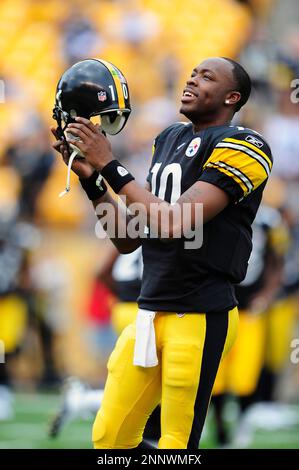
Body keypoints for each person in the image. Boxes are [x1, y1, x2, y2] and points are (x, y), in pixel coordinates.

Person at [52, 57, 273, 449]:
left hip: (200, 313)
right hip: (149, 310)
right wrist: (92, 179)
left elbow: (176, 222)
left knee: (175, 443)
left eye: (207, 76)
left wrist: (109, 163)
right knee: (109, 438)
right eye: (192, 72)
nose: (192, 78)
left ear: (232, 97)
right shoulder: (168, 138)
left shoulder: (245, 146)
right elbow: (128, 238)